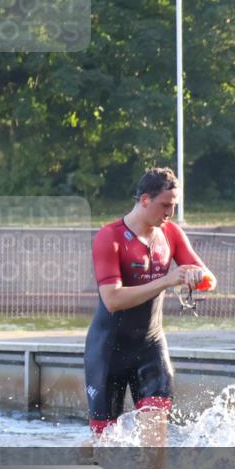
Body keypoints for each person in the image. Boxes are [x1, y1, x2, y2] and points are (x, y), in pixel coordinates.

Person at [84, 167, 215, 452]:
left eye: (174, 205)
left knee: (157, 435)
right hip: (108, 351)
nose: (170, 212)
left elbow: (209, 280)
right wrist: (166, 281)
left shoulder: (171, 234)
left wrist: (197, 278)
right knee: (103, 445)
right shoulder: (110, 237)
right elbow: (113, 300)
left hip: (150, 345)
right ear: (145, 200)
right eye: (165, 205)